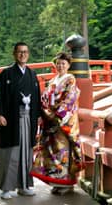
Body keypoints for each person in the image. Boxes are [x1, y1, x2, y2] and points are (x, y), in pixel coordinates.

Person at [0, 42, 41, 200]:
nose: (22, 55)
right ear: (14, 54)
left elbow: (37, 99)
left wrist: (38, 115)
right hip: (11, 120)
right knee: (10, 153)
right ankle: (6, 188)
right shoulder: (6, 74)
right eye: (19, 52)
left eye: (25, 52)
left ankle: (24, 186)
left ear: (28, 54)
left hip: (28, 119)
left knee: (26, 153)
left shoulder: (32, 75)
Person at [30, 51, 84, 195]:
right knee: (52, 152)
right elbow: (44, 99)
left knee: (63, 151)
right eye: (58, 63)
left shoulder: (70, 79)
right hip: (50, 121)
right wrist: (44, 112)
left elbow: (69, 99)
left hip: (62, 121)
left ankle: (67, 183)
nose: (60, 66)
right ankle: (57, 182)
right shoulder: (53, 81)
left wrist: (56, 114)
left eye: (63, 64)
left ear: (68, 65)